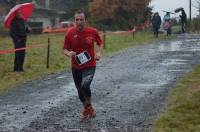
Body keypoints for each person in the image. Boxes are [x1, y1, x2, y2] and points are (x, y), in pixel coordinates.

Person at [63, 10, 103, 119]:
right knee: (79, 90)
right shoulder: (70, 33)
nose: (79, 21)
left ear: (85, 20)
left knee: (85, 86)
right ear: (74, 21)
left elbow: (100, 43)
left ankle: (88, 109)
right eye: (77, 20)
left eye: (81, 19)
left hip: (90, 65)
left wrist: (99, 52)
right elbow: (65, 49)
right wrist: (68, 53)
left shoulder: (92, 31)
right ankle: (88, 109)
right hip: (76, 66)